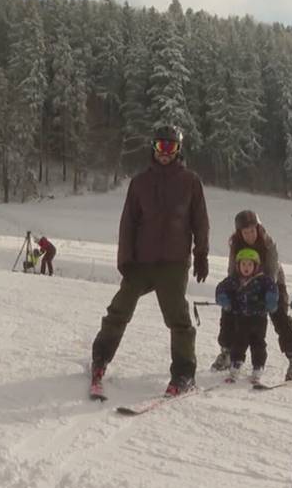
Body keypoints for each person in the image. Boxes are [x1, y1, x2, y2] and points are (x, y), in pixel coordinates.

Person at [89, 125, 210, 399]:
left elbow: (200, 222)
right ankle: (100, 358)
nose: (164, 152)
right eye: (160, 146)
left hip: (173, 263)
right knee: (119, 309)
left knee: (178, 319)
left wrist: (201, 254)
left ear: (178, 150)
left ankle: (184, 373)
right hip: (141, 262)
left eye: (170, 147)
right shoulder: (140, 182)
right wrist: (125, 260)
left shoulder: (190, 181)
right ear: (153, 149)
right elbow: (128, 224)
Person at [211, 210, 292, 381]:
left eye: (252, 230)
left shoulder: (268, 244)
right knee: (230, 311)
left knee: (279, 315)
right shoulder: (236, 245)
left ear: (258, 228)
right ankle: (227, 352)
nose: (250, 235)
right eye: (245, 232)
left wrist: (267, 296)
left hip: (271, 283)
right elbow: (232, 272)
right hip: (244, 281)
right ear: (239, 233)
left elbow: (272, 273)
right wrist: (229, 294)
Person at [214, 248, 278, 385]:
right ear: (238, 266)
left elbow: (272, 288)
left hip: (259, 319)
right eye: (243, 264)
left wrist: (271, 300)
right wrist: (223, 299)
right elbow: (221, 288)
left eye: (250, 264)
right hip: (241, 319)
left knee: (258, 344)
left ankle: (258, 367)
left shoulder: (262, 280)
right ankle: (235, 366)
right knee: (238, 343)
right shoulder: (234, 280)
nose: (246, 268)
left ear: (256, 266)